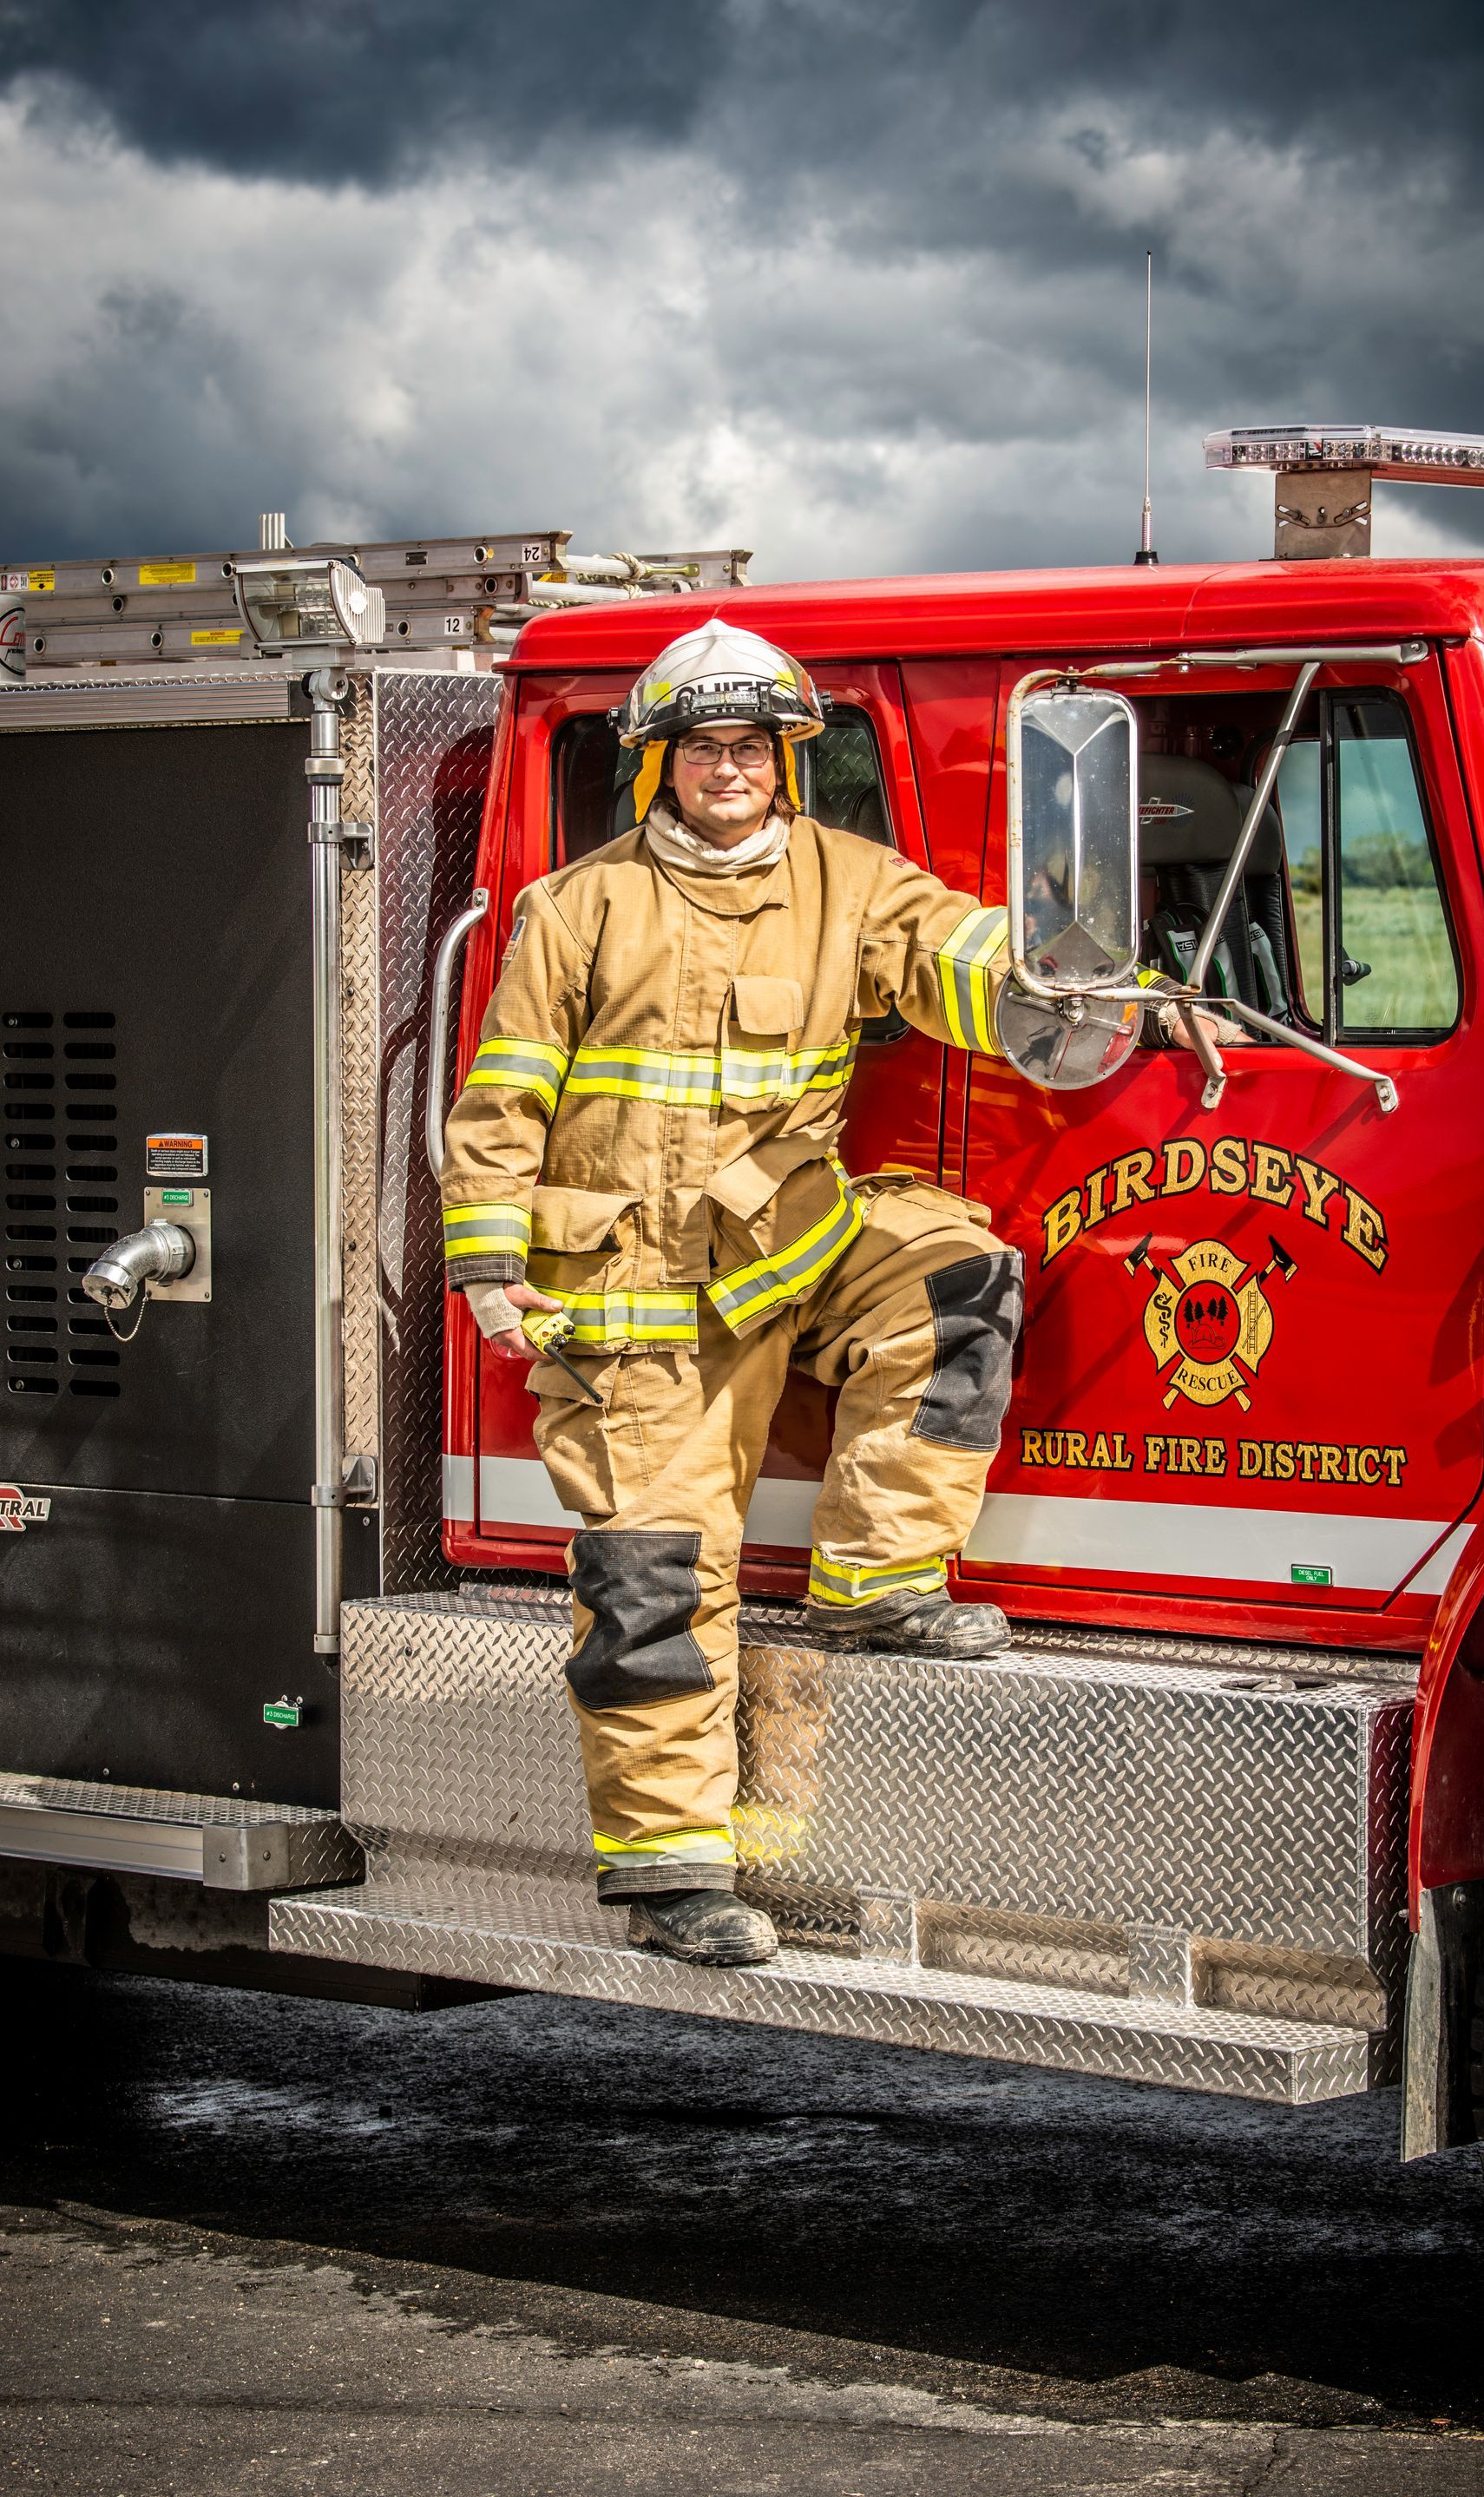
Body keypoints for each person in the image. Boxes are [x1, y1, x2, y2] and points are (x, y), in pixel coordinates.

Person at [439, 622, 1031, 1968]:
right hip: (636, 1307)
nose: (730, 768)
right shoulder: (578, 907)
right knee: (656, 1580)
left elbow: (967, 961)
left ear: (785, 762)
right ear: (660, 763)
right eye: (703, 746)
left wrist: (1106, 985)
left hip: (788, 1248)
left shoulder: (847, 881)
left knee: (956, 1280)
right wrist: (487, 1264)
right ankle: (670, 1878)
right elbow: (505, 1097)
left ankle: (875, 1579)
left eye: (751, 747)